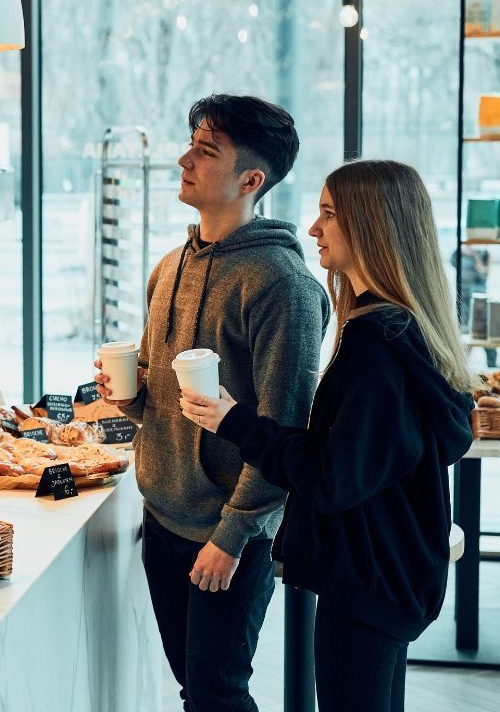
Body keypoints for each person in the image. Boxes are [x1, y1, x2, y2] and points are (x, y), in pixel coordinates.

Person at [180, 159, 473, 712]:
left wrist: (234, 421)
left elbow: (334, 478)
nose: (313, 229)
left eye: (329, 214)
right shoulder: (400, 330)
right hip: (392, 574)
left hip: (368, 583)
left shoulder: (377, 346)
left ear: (371, 228)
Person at [95, 95, 329, 711]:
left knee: (219, 693)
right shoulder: (169, 268)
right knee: (194, 691)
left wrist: (232, 535)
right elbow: (161, 408)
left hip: (231, 534)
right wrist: (130, 398)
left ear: (252, 179)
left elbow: (284, 430)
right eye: (191, 144)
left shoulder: (283, 285)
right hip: (163, 516)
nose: (183, 159)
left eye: (206, 151)